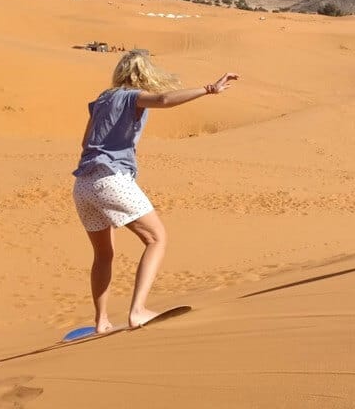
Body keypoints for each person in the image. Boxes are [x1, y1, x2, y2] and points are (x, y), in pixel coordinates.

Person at [72, 49, 238, 331]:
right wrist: (210, 89)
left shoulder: (101, 100)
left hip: (83, 183)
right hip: (111, 179)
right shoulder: (131, 96)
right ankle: (137, 311)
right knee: (156, 238)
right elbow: (162, 99)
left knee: (103, 254)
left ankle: (101, 321)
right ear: (144, 74)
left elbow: (86, 141)